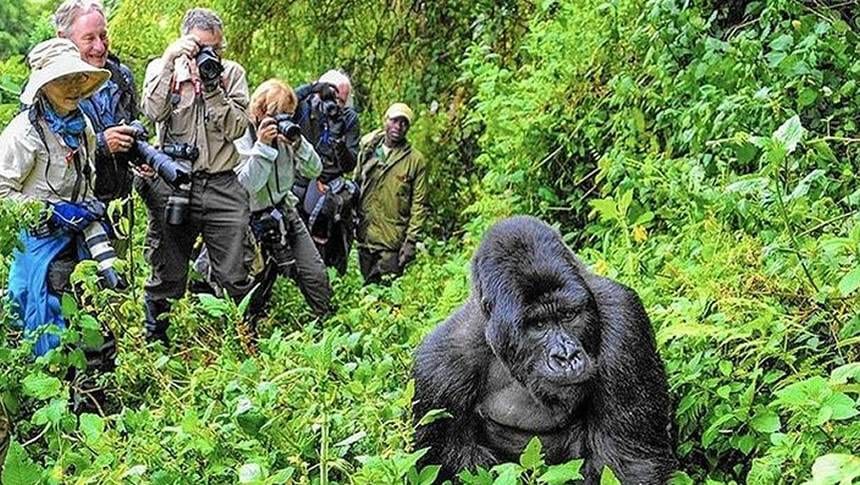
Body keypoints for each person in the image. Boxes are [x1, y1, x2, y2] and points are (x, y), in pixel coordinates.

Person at [139, 7, 251, 344]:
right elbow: (152, 112)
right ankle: (156, 341)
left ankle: (243, 336)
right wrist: (171, 59)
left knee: (235, 271)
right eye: (201, 47)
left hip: (222, 181)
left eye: (215, 48)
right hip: (176, 180)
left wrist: (213, 87)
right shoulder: (163, 69)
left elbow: (237, 127)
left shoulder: (232, 74)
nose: (209, 54)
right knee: (168, 270)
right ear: (185, 41)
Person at [0, 38, 116, 357]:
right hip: (39, 242)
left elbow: (85, 176)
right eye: (62, 79)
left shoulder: (83, 126)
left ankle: (92, 386)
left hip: (78, 236)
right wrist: (49, 211)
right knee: (44, 319)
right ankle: (54, 390)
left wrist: (88, 207)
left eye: (77, 77)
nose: (73, 87)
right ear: (44, 85)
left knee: (92, 312)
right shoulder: (24, 134)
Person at [234, 79, 332, 319]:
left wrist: (299, 145)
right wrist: (264, 147)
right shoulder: (241, 134)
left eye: (288, 115)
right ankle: (247, 331)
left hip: (284, 210)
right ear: (259, 111)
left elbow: (315, 170)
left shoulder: (288, 134)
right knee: (253, 281)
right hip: (250, 218)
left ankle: (326, 320)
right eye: (278, 116)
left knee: (314, 272)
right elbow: (247, 185)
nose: (283, 122)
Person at [54, 0, 145, 205]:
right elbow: (47, 155)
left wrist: (138, 149)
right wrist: (101, 144)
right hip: (72, 209)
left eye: (103, 35)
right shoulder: (49, 87)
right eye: (89, 38)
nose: (100, 46)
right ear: (63, 39)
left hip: (118, 203)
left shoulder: (121, 77)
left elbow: (132, 120)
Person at [291, 70, 361, 274]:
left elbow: (350, 165)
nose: (335, 105)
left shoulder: (348, 118)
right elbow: (276, 105)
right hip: (296, 182)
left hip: (327, 188)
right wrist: (312, 88)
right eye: (332, 97)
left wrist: (339, 143)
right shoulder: (303, 107)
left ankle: (325, 274)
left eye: (341, 100)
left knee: (324, 244)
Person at [354, 103, 427, 284]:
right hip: (366, 237)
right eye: (394, 121)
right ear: (386, 121)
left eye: (404, 123)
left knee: (389, 295)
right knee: (368, 291)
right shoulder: (368, 149)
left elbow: (419, 204)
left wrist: (411, 241)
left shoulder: (415, 160)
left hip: (392, 242)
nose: (398, 127)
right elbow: (356, 184)